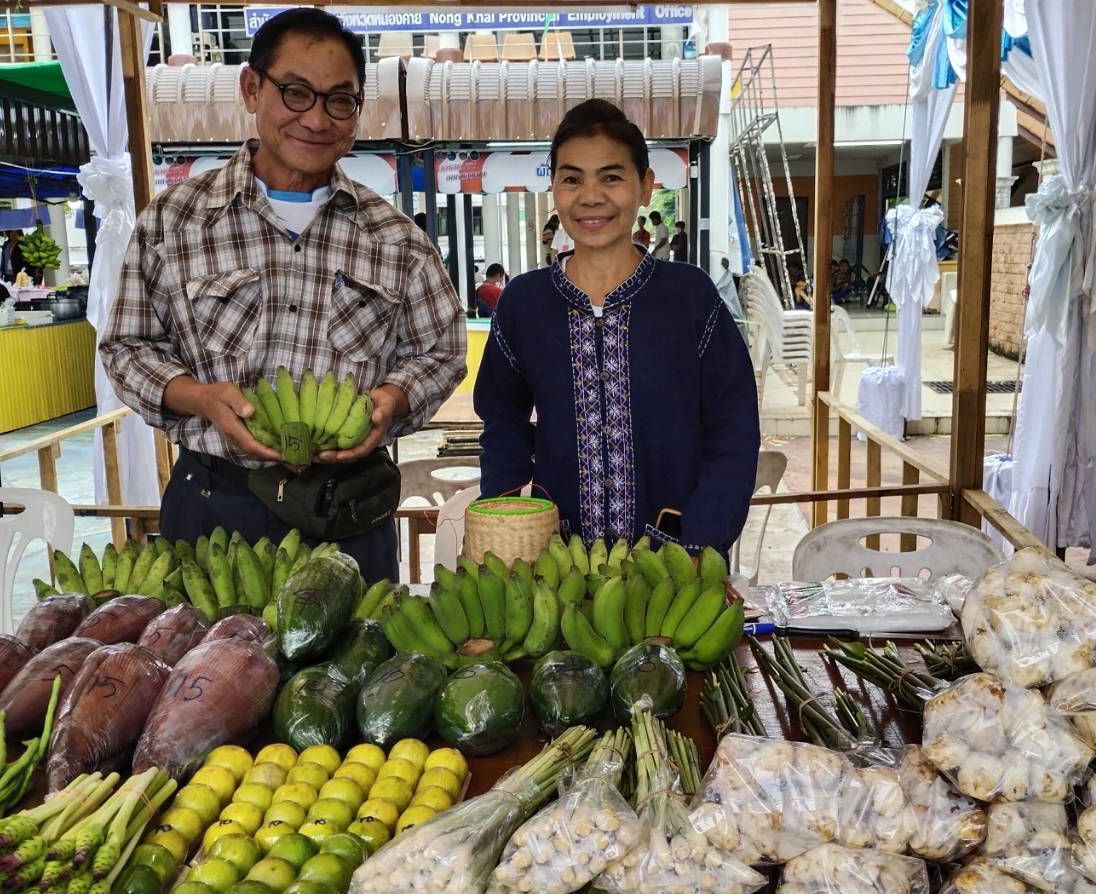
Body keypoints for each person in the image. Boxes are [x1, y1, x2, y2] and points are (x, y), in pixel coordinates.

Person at [102, 8, 466, 582]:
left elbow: (441, 351)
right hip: (215, 506)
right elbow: (127, 347)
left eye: (339, 100)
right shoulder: (175, 221)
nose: (316, 119)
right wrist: (200, 398)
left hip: (348, 511)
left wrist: (392, 399)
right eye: (295, 93)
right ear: (252, 88)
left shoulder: (396, 239)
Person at [474, 99, 758, 554]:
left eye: (611, 177)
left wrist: (700, 542)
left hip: (675, 564)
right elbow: (503, 425)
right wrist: (508, 535)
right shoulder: (524, 304)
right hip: (559, 568)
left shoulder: (690, 298)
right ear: (554, 188)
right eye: (572, 179)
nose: (590, 196)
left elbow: (734, 430)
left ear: (645, 186)